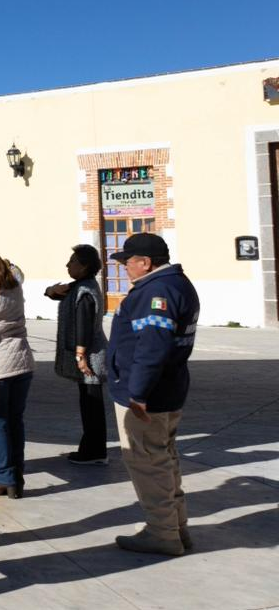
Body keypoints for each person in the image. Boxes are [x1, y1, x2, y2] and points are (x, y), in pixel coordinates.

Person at [106, 233, 199, 556]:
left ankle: (162, 533)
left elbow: (153, 346)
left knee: (148, 462)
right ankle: (176, 527)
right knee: (164, 459)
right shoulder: (174, 284)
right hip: (168, 390)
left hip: (148, 395)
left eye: (128, 262)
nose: (125, 268)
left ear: (145, 263)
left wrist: (138, 393)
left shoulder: (156, 291)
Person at [0, 247, 35, 499]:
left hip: (1, 364)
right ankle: (16, 477)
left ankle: (2, 477)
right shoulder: (15, 287)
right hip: (23, 362)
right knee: (15, 421)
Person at [45, 244, 110, 466]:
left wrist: (80, 356)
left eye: (72, 261)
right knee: (89, 403)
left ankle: (94, 451)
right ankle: (92, 448)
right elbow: (55, 293)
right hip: (88, 356)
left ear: (84, 267)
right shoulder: (80, 285)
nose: (68, 265)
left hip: (91, 357)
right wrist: (51, 290)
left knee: (92, 405)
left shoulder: (84, 292)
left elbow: (83, 325)